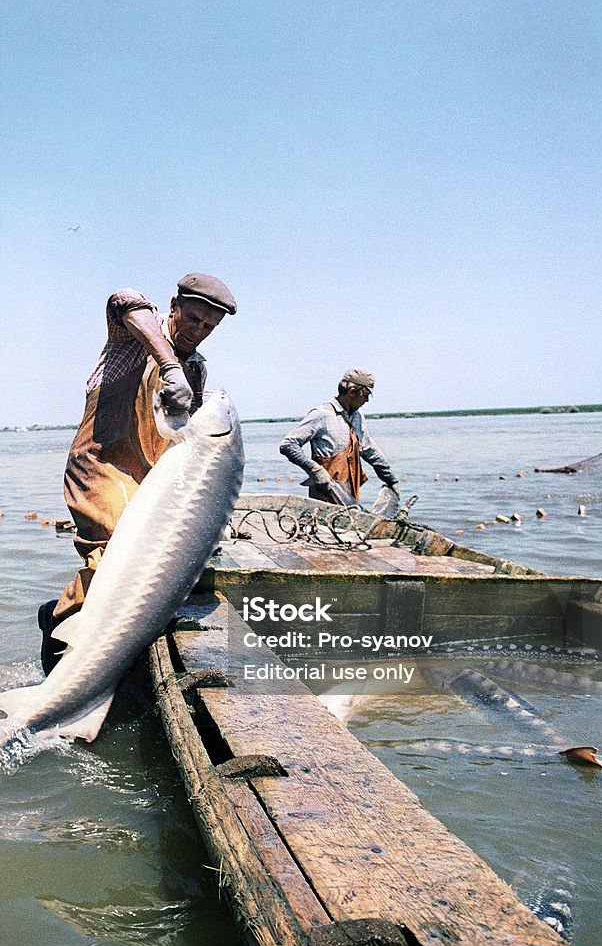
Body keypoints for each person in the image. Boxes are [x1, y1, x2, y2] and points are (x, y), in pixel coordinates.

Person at [40, 272, 236, 673]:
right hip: (100, 465)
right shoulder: (132, 333)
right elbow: (124, 299)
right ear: (173, 305)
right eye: (194, 317)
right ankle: (58, 636)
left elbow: (190, 442)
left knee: (161, 565)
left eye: (209, 327)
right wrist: (169, 366)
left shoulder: (197, 368)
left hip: (153, 477)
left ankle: (116, 657)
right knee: (114, 557)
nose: (199, 331)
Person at [279, 368, 399, 505]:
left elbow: (369, 449)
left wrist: (391, 480)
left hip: (350, 494)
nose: (366, 400)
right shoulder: (322, 414)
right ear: (352, 392)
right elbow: (288, 444)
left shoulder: (357, 416)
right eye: (365, 395)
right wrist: (315, 470)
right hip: (324, 496)